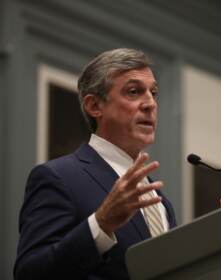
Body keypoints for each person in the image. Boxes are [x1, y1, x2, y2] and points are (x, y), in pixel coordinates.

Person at [14, 48, 177, 280]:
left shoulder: (161, 202)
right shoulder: (58, 177)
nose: (150, 103)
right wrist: (101, 224)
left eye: (154, 93)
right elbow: (30, 274)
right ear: (94, 106)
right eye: (134, 92)